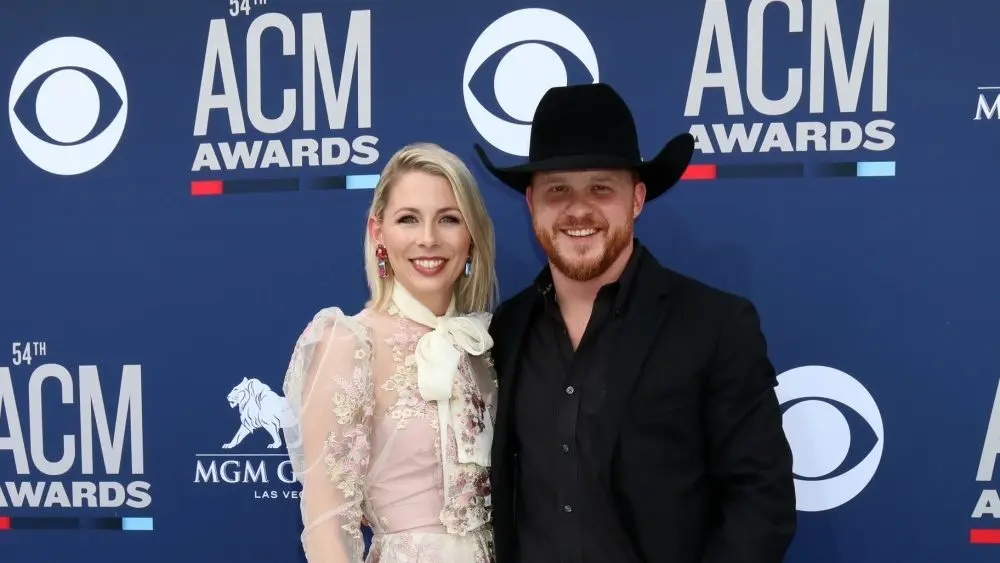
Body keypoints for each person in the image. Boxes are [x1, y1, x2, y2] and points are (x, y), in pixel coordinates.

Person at [474, 83, 797, 563]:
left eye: (601, 188)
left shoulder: (715, 325)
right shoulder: (505, 329)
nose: (578, 209)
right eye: (557, 189)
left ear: (637, 198)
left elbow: (761, 503)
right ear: (531, 202)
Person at [282, 142, 501, 562]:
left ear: (471, 235)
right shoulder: (349, 343)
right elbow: (327, 528)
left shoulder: (485, 345)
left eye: (449, 219)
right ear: (378, 232)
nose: (428, 239)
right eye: (408, 219)